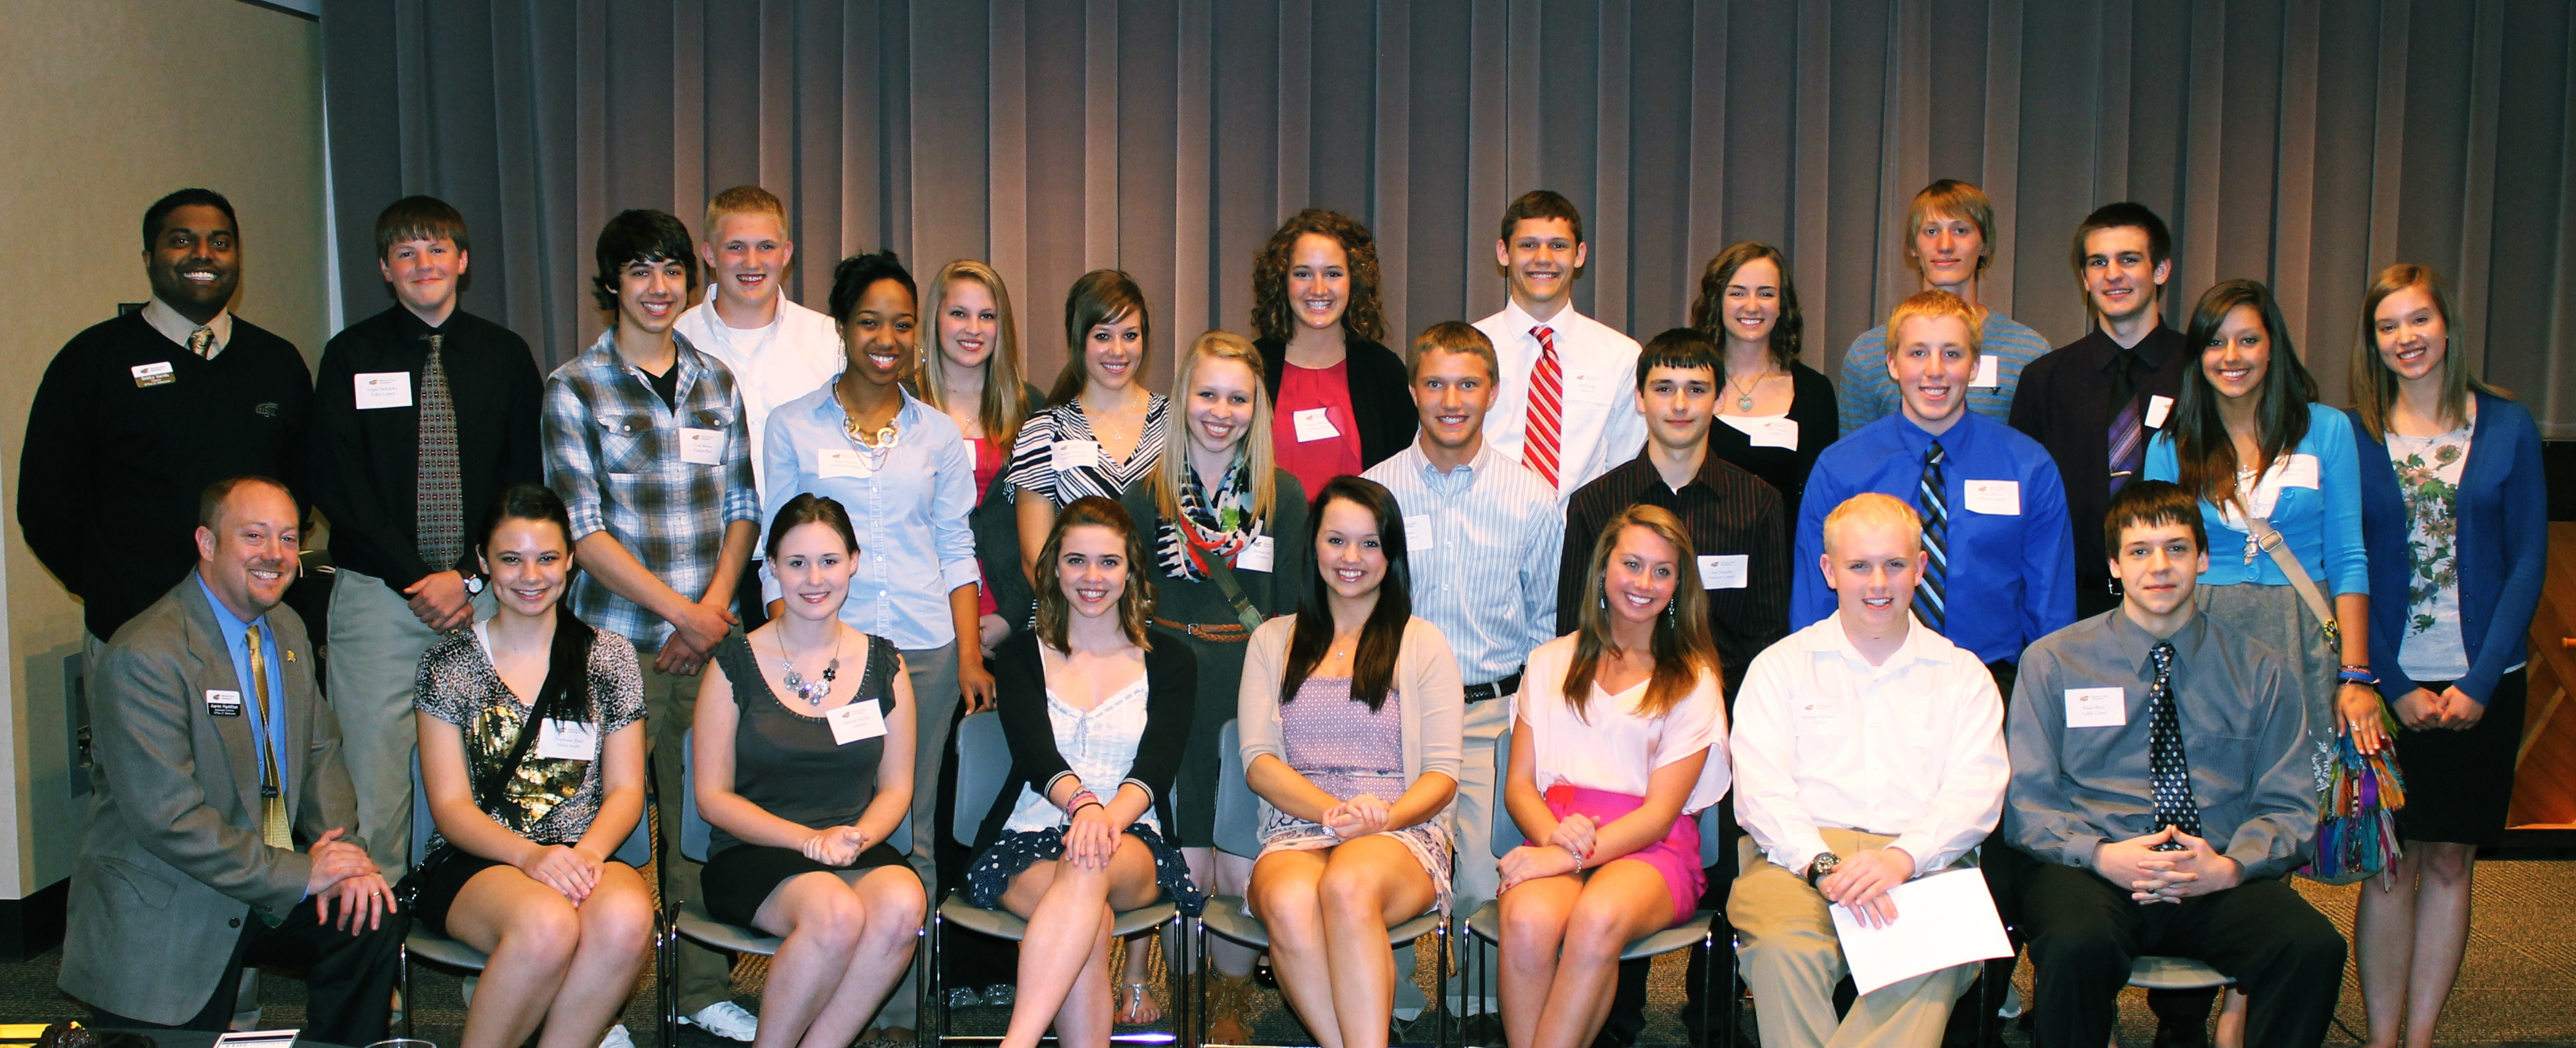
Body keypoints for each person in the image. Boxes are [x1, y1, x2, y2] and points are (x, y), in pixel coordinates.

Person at [2006, 479, 2347, 1048]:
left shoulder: (2260, 670)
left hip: (2213, 871)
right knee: (2073, 943)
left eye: (2177, 548)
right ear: (2114, 565)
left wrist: (2230, 867)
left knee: (2311, 946)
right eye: (2139, 552)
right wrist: (2100, 855)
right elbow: (2026, 803)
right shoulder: (2053, 663)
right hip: (2097, 868)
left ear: (2203, 558)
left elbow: (2288, 807)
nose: (2158, 566)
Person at [60, 476, 400, 1039]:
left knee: (367, 914)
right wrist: (302, 872)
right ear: (207, 543)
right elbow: (170, 822)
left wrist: (344, 857)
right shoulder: (145, 655)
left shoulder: (286, 627)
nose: (275, 555)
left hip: (265, 872)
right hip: (172, 898)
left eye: (289, 538)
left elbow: (322, 755)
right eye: (254, 535)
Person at [542, 208, 763, 1040]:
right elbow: (583, 530)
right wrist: (683, 614)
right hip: (612, 645)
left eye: (671, 269)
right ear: (610, 285)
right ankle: (593, 1006)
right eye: (639, 270)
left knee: (704, 824)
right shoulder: (573, 388)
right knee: (608, 826)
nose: (658, 286)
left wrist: (709, 616)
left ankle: (700, 988)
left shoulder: (716, 381)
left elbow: (744, 507)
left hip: (710, 640)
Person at [311, 195, 546, 876]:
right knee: (373, 780)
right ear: (385, 268)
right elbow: (338, 482)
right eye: (406, 253)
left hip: (486, 599)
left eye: (437, 249)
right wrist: (418, 576)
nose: (424, 264)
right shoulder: (350, 353)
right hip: (381, 600)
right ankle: (376, 960)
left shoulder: (504, 355)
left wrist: (469, 575)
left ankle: (494, 953)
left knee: (494, 774)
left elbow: (522, 481)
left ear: (463, 261)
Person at [2346, 265, 2548, 1048]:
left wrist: (2478, 681)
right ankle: (2380, 1034)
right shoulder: (2354, 432)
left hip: (2482, 681)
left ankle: (2421, 1037)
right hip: (2386, 684)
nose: (2406, 338)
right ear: (2373, 342)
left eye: (2418, 320)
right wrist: (2386, 681)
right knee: (2387, 865)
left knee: (2450, 862)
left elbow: (2528, 559)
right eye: (2388, 326)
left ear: (2447, 324)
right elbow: (2344, 560)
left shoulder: (2507, 424)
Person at [1728, 493, 2008, 1048]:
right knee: (1785, 953)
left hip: (1925, 860)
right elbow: (1762, 792)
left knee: (1930, 957)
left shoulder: (1963, 676)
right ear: (1829, 571)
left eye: (1894, 564)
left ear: (1920, 568)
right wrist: (1823, 864)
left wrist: (1903, 857)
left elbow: (1975, 793)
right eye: (1859, 566)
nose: (1877, 583)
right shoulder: (1779, 667)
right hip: (1796, 859)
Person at [1360, 321, 1563, 1034]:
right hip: (1390, 710)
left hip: (1488, 712)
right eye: (1436, 383)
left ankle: (1477, 1009)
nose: (1452, 399)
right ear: (1414, 391)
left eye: (1468, 384)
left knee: (1482, 874)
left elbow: (1544, 622)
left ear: (1493, 393)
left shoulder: (1533, 498)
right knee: (1383, 857)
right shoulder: (1372, 491)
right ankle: (1390, 1002)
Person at [20, 188, 313, 661]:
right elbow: (46, 504)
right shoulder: (92, 360)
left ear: (237, 258)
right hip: (133, 631)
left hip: (253, 629)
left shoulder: (277, 362)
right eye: (182, 240)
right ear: (149, 257)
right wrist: (110, 590)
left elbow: (300, 487)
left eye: (220, 243)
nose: (203, 254)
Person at [1116, 331, 1310, 1037]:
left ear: (1255, 407)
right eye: (1207, 394)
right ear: (1183, 399)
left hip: (1248, 684)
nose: (1220, 411)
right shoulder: (1146, 496)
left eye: (1237, 397)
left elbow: (1293, 607)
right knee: (1178, 850)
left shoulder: (1280, 494)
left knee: (1237, 852)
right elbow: (1124, 602)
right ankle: (1177, 981)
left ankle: (1227, 995)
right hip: (1167, 686)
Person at [411, 484, 652, 1048]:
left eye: (547, 558)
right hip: (480, 859)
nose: (531, 576)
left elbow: (625, 790)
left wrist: (584, 855)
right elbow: (449, 807)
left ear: (570, 559)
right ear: (482, 562)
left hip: (581, 852)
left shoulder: (609, 656)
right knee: (547, 924)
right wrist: (531, 857)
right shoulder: (447, 662)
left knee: (626, 921)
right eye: (511, 559)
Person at [964, 497, 1204, 1048]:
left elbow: (1157, 766)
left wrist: (1102, 819)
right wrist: (1082, 808)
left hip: (1132, 839)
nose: (1092, 577)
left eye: (1108, 562)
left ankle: (1017, 1042)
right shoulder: (1023, 655)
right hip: (1028, 838)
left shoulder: (1171, 660)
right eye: (1076, 561)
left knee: (1087, 863)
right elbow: (1033, 754)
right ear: (1051, 568)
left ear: (1132, 571)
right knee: (1088, 922)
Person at [1236, 476, 1465, 1048]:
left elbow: (1441, 771)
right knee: (1289, 903)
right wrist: (1333, 812)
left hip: (1400, 827)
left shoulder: (1422, 642)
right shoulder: (1271, 641)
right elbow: (1259, 763)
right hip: (1298, 824)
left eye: (1370, 544)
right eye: (1337, 540)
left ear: (1391, 556)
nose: (1352, 558)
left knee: (1347, 886)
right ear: (1314, 544)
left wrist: (1380, 819)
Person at [695, 494, 929, 1048]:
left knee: (903, 904)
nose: (813, 578)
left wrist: (856, 838)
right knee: (834, 914)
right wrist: (808, 842)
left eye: (828, 560)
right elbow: (711, 796)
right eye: (796, 563)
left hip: (850, 843)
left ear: (854, 561)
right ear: (771, 569)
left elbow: (896, 787)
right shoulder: (734, 664)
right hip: (753, 852)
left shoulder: (885, 663)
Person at [1498, 505, 1731, 1048]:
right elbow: (1519, 786)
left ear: (1679, 585)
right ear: (1603, 568)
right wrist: (1554, 839)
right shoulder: (1549, 661)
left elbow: (1657, 816)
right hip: (1554, 829)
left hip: (1651, 848)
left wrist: (1565, 856)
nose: (1645, 583)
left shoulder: (1694, 680)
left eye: (1662, 571)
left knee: (1597, 918)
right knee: (1528, 922)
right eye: (1632, 564)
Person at [1795, 290, 2075, 697]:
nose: (1934, 371)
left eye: (1952, 354)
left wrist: (2049, 697)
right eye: (1917, 353)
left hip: (1992, 681)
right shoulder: (1841, 469)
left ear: (1974, 365)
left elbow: (2050, 604)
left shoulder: (2028, 467)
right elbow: (1813, 596)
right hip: (1863, 682)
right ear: (1892, 363)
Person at [2143, 279, 2378, 760]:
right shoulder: (2170, 446)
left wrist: (2355, 673)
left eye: (2248, 340)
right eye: (2214, 342)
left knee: (2301, 802)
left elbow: (2348, 556)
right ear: (2196, 356)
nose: (2231, 356)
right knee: (2209, 796)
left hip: (2303, 630)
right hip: (2202, 634)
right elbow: (2155, 567)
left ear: (2273, 348)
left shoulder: (2326, 429)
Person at [1561, 328, 1790, 697]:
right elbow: (1576, 630)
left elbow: (1767, 639)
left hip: (1725, 709)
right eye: (1664, 388)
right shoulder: (1595, 504)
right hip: (1615, 711)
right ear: (1639, 398)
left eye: (1697, 389)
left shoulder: (1760, 503)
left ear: (1720, 399)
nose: (1680, 404)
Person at [675, 186, 849, 633]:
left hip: (807, 570)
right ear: (709, 253)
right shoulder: (674, 340)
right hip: (699, 569)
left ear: (786, 253)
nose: (752, 263)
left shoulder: (830, 342)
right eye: (735, 247)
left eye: (766, 247)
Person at [2011, 202, 2191, 619]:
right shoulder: (2044, 379)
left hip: (2180, 600)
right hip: (2074, 601)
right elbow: (2025, 503)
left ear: (2160, 270)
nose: (2112, 274)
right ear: (2084, 278)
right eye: (2098, 262)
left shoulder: (2200, 373)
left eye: (2128, 259)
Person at [1835, 180, 2049, 436]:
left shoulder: (2030, 354)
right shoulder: (1868, 355)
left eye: (1960, 231)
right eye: (1932, 232)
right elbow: (1854, 462)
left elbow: (2037, 461)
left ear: (1984, 244)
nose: (1945, 246)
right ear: (1914, 247)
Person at [1472, 190, 1647, 500]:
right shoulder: (1468, 352)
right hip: (1488, 537)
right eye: (1528, 245)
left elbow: (1623, 469)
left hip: (1582, 539)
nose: (1543, 258)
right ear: (1503, 252)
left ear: (1579, 255)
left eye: (1558, 246)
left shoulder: (1622, 357)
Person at [913, 259, 1047, 649]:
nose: (973, 329)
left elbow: (1043, 531)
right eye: (959, 314)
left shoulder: (1028, 407)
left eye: (987, 316)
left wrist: (1012, 615)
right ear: (935, 319)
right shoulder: (902, 405)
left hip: (1011, 619)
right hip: (923, 620)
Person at [1009, 271, 1170, 584]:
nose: (1118, 351)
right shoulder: (1044, 431)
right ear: (1078, 338)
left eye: (1130, 335)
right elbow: (1036, 560)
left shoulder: (1176, 424)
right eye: (1102, 336)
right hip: (1071, 621)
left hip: (1160, 624)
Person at [1249, 208, 1417, 493]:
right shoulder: (1252, 367)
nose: (1318, 289)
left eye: (1333, 274)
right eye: (1303, 273)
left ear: (1354, 281)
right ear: (1282, 281)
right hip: (1270, 537)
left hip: (1358, 536)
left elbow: (1405, 475)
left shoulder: (1383, 371)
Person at [1687, 241, 1839, 518]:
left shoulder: (1816, 393)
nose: (1752, 306)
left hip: (1788, 556)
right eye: (1738, 293)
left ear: (1783, 305)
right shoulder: (1688, 386)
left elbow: (1825, 499)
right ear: (1718, 301)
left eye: (1766, 294)